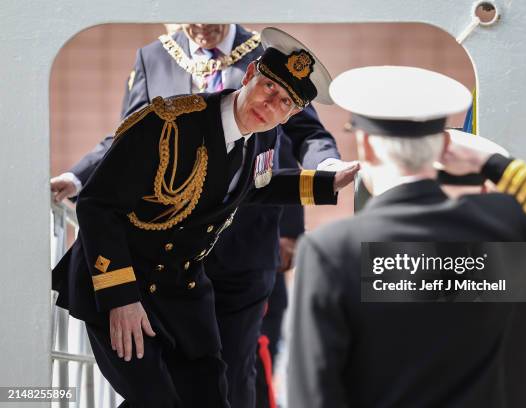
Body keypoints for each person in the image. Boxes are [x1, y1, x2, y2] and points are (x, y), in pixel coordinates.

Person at [52, 27, 359, 408]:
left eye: (284, 102)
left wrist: (326, 183)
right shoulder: (168, 122)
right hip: (124, 277)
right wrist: (121, 298)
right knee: (157, 398)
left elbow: (252, 186)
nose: (270, 103)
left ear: (291, 114)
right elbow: (97, 204)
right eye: (268, 88)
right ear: (249, 76)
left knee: (211, 394)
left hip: (181, 287)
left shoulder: (262, 136)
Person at [287, 66, 526, 407]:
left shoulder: (332, 251)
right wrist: (494, 164)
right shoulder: (511, 243)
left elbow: (314, 393)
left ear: (367, 144)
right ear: (446, 151)